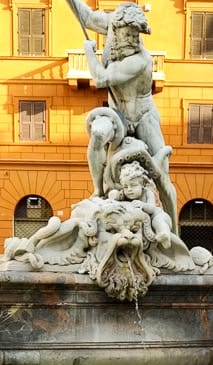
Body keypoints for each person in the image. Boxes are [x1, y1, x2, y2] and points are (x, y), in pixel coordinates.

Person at [66, 0, 177, 226]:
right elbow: (84, 16)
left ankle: (174, 231)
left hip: (144, 115)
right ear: (116, 28)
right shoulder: (110, 24)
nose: (132, 40)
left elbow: (101, 79)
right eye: (128, 34)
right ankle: (98, 190)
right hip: (117, 115)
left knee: (162, 175)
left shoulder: (140, 59)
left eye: (136, 35)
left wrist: (89, 54)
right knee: (97, 134)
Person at [108, 160, 171, 248]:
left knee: (158, 220)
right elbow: (115, 195)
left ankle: (164, 235)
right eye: (125, 186)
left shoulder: (148, 193)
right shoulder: (125, 194)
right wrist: (114, 195)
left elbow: (152, 208)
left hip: (158, 216)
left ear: (142, 185)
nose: (129, 189)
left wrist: (143, 205)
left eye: (133, 185)